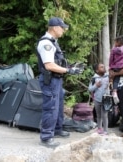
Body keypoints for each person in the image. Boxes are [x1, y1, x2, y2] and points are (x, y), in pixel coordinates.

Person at [36, 17, 83, 148]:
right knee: (50, 108)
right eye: (62, 28)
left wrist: (70, 67)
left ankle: (56, 129)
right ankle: (46, 137)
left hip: (56, 80)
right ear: (55, 28)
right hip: (50, 80)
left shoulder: (53, 42)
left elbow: (57, 62)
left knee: (59, 105)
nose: (63, 30)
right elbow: (49, 65)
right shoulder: (46, 43)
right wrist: (68, 71)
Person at [88, 63, 109, 135]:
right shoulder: (94, 79)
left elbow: (112, 85)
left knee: (105, 115)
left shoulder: (108, 77)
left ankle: (105, 130)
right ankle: (99, 128)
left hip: (106, 99)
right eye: (101, 67)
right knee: (98, 115)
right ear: (97, 70)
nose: (104, 68)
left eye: (104, 67)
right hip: (97, 99)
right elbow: (90, 89)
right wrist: (96, 86)